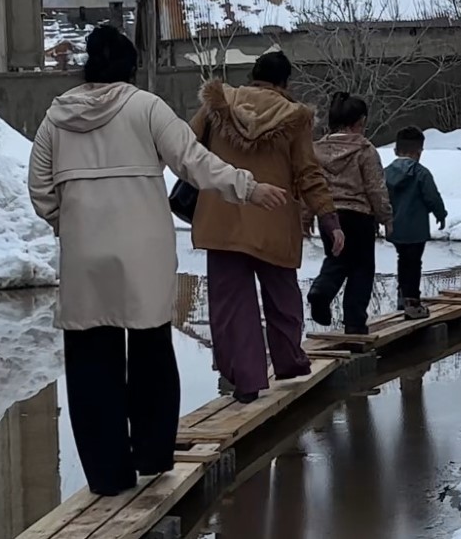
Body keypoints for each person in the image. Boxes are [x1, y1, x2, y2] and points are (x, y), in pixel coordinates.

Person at [27, 26, 288, 496]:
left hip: (85, 256)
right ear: (129, 67)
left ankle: (108, 476)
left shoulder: (55, 119)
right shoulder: (147, 108)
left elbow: (40, 188)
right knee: (150, 351)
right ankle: (151, 455)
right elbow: (195, 161)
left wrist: (68, 224)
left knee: (90, 363)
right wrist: (248, 187)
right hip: (143, 250)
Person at [189, 51, 345, 404]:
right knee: (282, 297)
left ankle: (245, 380)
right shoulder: (294, 118)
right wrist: (328, 217)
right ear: (284, 84)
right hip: (274, 217)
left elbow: (185, 149)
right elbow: (308, 173)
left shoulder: (217, 106)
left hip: (222, 218)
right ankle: (288, 361)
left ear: (253, 77)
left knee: (231, 306)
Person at [306, 92, 392, 335]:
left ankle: (321, 290)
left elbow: (308, 183)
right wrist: (385, 217)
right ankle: (354, 322)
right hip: (359, 216)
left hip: (328, 216)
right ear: (360, 122)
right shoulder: (365, 150)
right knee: (362, 269)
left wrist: (306, 215)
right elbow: (376, 188)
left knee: (336, 260)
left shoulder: (315, 151)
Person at [384, 126, 447, 320]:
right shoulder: (421, 173)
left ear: (396, 150)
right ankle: (412, 302)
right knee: (414, 264)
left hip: (395, 228)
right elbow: (432, 197)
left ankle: (403, 298)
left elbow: (379, 197)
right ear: (419, 151)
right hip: (416, 229)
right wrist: (440, 214)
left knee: (403, 261)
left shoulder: (385, 173)